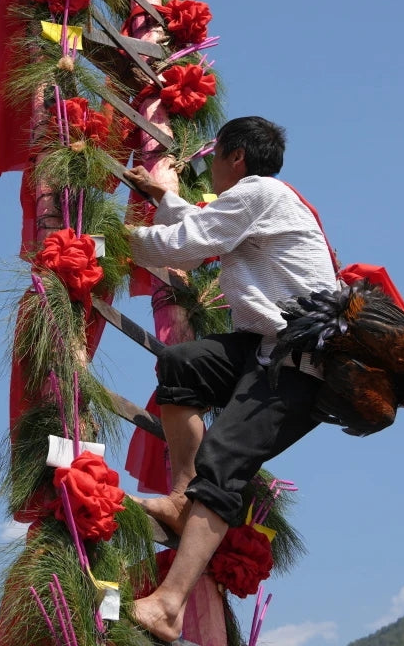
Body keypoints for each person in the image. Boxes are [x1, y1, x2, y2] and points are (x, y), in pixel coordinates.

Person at [124, 116, 337, 643]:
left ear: (235, 157)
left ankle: (169, 606)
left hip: (299, 363)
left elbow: (189, 243)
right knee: (182, 365)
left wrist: (107, 237)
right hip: (264, 347)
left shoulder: (258, 193)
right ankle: (181, 498)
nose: (211, 166)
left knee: (223, 464)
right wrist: (165, 199)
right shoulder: (258, 200)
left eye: (214, 155)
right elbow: (206, 228)